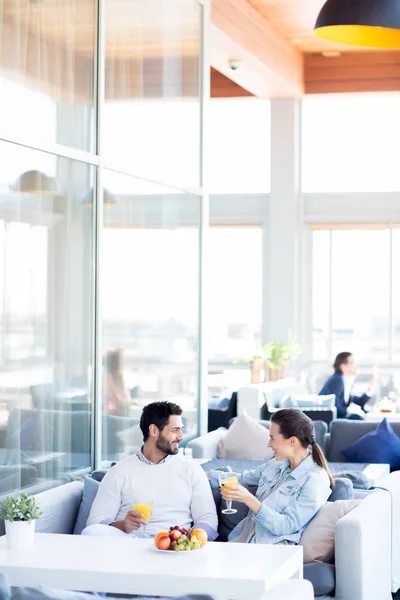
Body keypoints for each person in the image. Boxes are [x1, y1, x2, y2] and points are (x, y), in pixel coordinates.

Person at [82, 401, 218, 540]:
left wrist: (187, 539)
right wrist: (123, 525)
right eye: (174, 430)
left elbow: (207, 518)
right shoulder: (118, 472)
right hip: (129, 543)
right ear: (154, 430)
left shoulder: (192, 470)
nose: (181, 437)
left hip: (174, 545)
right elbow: (95, 522)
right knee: (90, 532)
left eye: (181, 429)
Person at [217, 409, 332, 545]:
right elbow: (243, 478)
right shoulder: (276, 464)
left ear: (292, 442)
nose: (268, 444)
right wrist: (207, 475)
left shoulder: (315, 480)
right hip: (244, 540)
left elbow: (287, 525)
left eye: (272, 438)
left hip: (273, 550)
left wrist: (248, 499)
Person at [318, 352, 377, 420]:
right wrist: (350, 410)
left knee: (367, 414)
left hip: (338, 418)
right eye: (352, 362)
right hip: (331, 420)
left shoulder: (346, 382)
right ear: (343, 366)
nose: (356, 365)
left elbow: (358, 402)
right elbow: (336, 407)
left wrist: (370, 387)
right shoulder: (337, 380)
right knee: (358, 418)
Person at [103, 348, 130, 417]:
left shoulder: (119, 376)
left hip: (118, 411)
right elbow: (115, 400)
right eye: (121, 360)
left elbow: (126, 397)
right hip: (109, 414)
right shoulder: (106, 376)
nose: (123, 362)